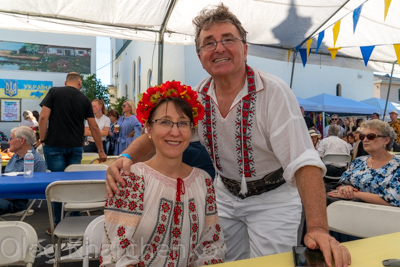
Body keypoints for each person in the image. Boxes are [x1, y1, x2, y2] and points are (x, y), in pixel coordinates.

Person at [104, 4, 350, 266]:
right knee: (223, 261)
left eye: (228, 40)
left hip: (273, 198)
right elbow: (160, 131)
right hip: (224, 195)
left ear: (245, 48)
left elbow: (303, 160)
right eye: (209, 43)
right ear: (200, 56)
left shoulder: (274, 92)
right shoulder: (197, 98)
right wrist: (126, 156)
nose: (219, 48)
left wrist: (319, 229)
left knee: (269, 264)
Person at [100, 82, 225, 266]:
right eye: (165, 122)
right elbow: (114, 254)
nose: (174, 132)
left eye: (182, 123)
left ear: (192, 130)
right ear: (148, 129)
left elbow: (211, 246)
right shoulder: (132, 179)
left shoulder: (203, 181)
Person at [39, 72, 106, 232]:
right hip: (76, 146)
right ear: (79, 83)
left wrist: (42, 140)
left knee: (57, 185)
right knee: (74, 184)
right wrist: (101, 150)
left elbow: (43, 118)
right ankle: (76, 219)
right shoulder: (84, 99)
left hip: (54, 145)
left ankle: (56, 223)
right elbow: (94, 126)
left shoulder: (54, 92)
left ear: (65, 82)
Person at [328, 120, 400, 207]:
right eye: (362, 136)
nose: (365, 140)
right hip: (348, 210)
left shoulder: (397, 167)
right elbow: (342, 184)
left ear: (386, 140)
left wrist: (355, 195)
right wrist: (345, 188)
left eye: (370, 136)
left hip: (381, 216)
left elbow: (393, 201)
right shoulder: (358, 161)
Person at [1, 126, 47, 215]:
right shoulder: (15, 156)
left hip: (14, 202)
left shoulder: (36, 161)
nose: (8, 142)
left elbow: (34, 188)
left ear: (21, 140)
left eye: (11, 138)